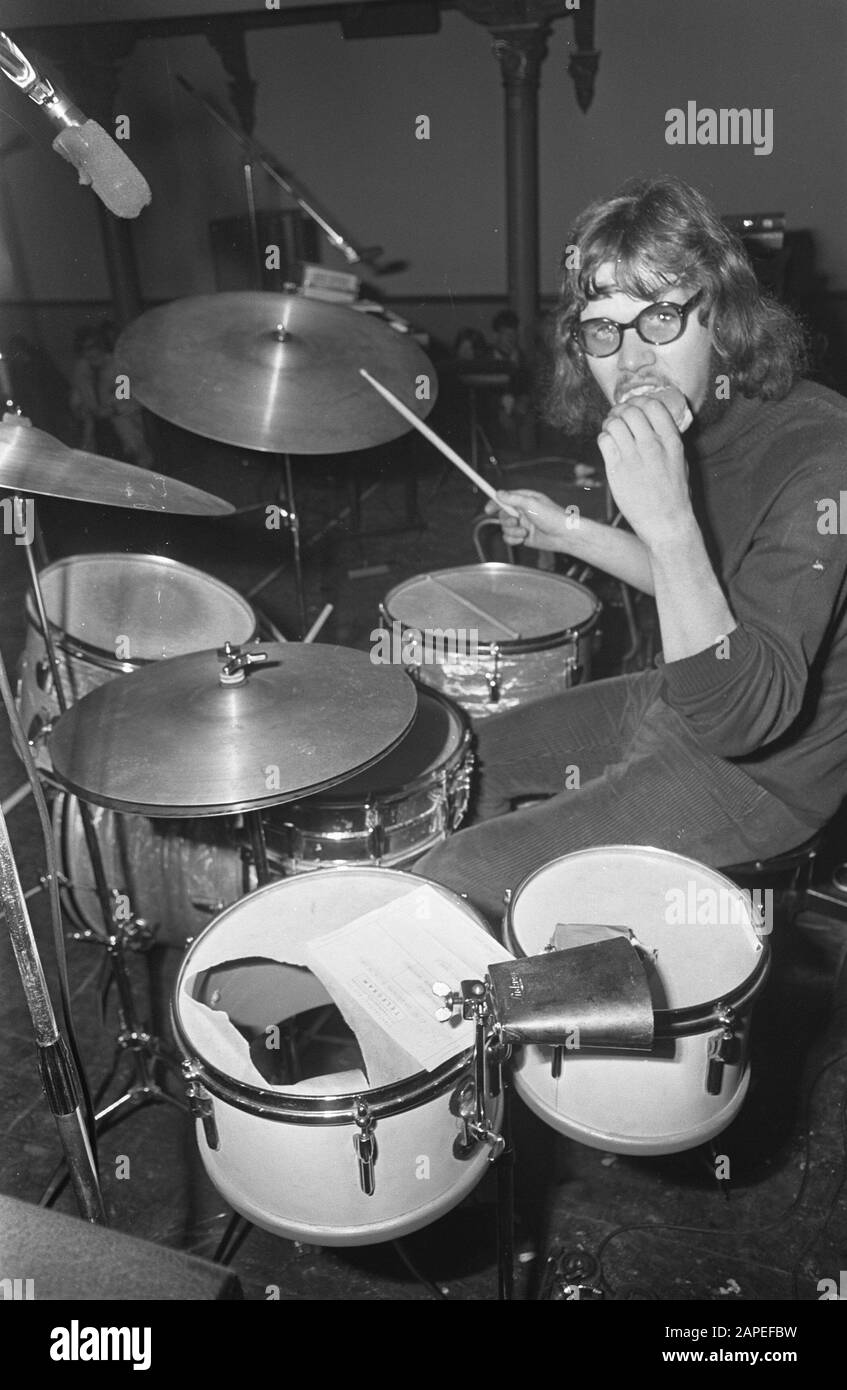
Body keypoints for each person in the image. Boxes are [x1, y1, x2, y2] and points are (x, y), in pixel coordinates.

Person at [415, 175, 847, 924]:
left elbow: (745, 718)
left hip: (765, 773)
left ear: (722, 316)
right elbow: (706, 590)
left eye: (661, 317)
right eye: (603, 330)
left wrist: (669, 520)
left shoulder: (823, 459)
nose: (632, 359)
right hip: (683, 696)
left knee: (455, 876)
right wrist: (570, 532)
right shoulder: (693, 423)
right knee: (462, 761)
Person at [69, 321, 153, 468]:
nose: (90, 353)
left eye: (93, 347)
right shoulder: (81, 372)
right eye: (84, 350)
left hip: (123, 432)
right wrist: (80, 409)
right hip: (97, 432)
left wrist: (112, 409)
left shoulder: (118, 369)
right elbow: (77, 400)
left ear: (102, 346)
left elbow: (128, 401)